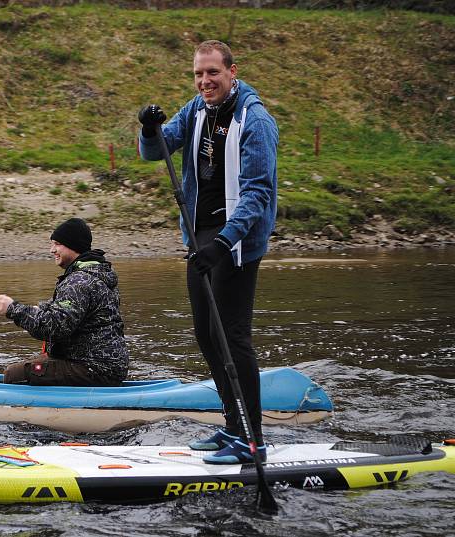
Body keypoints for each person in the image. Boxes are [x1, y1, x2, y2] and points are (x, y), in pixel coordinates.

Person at [137, 40, 278, 464]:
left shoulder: (255, 120)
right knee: (205, 333)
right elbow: (153, 152)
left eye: (213, 73)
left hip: (235, 243)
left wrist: (221, 244)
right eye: (199, 74)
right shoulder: (195, 109)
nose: (205, 81)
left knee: (233, 337)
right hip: (199, 238)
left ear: (232, 72)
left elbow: (258, 194)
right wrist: (148, 128)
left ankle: (253, 438)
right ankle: (232, 424)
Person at [0, 217, 129, 386]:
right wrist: (40, 309)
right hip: (107, 365)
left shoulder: (78, 281)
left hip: (94, 368)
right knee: (33, 363)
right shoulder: (94, 274)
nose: (52, 250)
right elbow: (68, 310)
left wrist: (13, 309)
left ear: (73, 246)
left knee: (13, 374)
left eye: (57, 244)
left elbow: (55, 328)